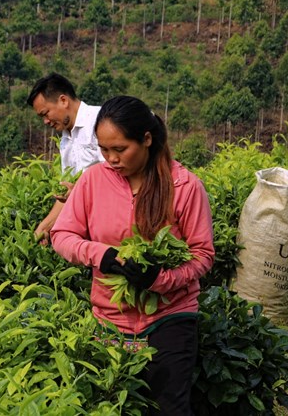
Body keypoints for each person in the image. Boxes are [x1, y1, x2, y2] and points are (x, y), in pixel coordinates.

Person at [50, 95, 214, 415]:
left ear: (147, 140)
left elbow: (202, 254)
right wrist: (100, 254)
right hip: (109, 319)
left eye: (121, 149)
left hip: (169, 317)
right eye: (104, 149)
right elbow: (62, 235)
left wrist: (161, 279)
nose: (111, 158)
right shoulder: (93, 181)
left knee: (169, 408)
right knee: (112, 407)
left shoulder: (184, 186)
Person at [26, 73, 104, 244]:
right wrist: (44, 227)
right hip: (93, 231)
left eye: (45, 114)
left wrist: (79, 191)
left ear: (63, 100)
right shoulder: (65, 141)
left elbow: (119, 177)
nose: (45, 122)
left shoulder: (102, 120)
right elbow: (69, 192)